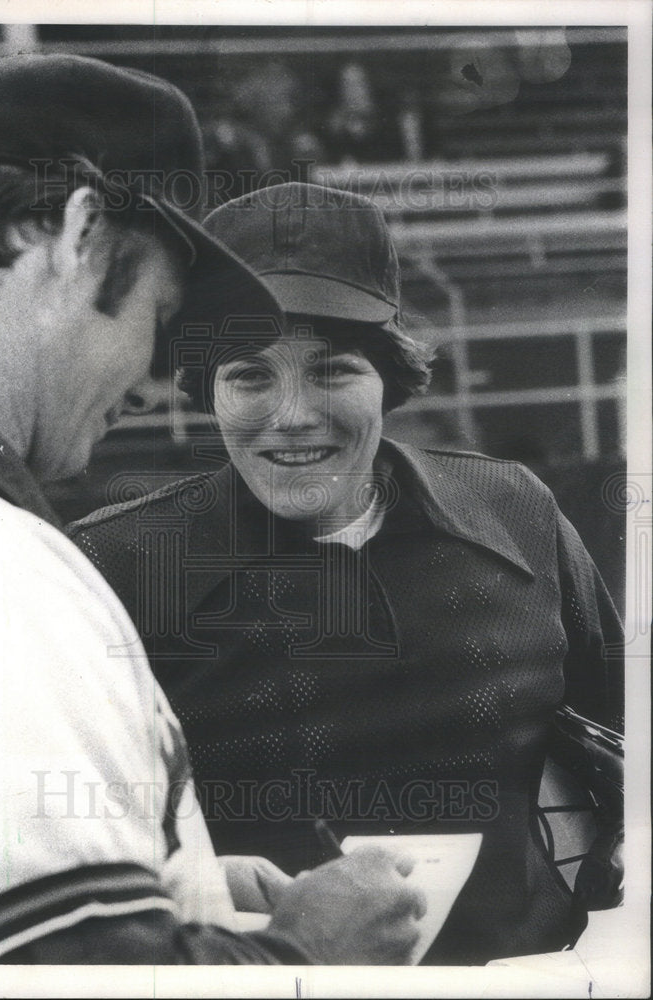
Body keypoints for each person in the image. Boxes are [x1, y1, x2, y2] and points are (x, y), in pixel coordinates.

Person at [0, 58, 427, 965]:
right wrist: (306, 955)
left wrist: (187, 883)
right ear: (79, 232)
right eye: (162, 314)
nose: (153, 380)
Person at [68, 182, 625, 965]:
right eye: (250, 377)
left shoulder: (515, 509)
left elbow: (621, 733)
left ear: (390, 381)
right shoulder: (115, 565)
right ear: (206, 393)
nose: (292, 413)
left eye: (332, 371)